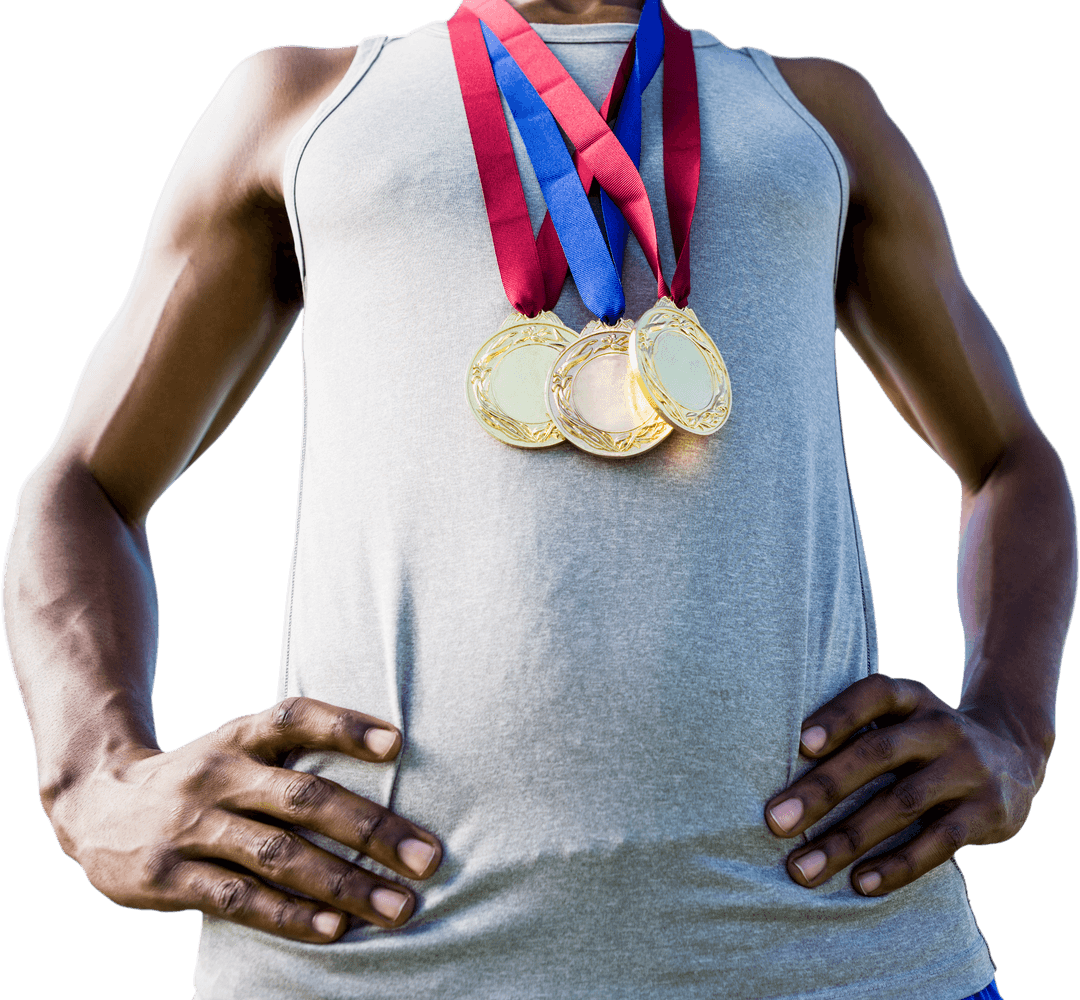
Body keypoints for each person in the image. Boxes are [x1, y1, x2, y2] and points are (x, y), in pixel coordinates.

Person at [2, 0, 1074, 997]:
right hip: (363, 960)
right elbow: (84, 484)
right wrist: (94, 772)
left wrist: (1012, 725)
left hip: (840, 954)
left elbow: (1012, 459)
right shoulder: (303, 106)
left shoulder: (819, 116)